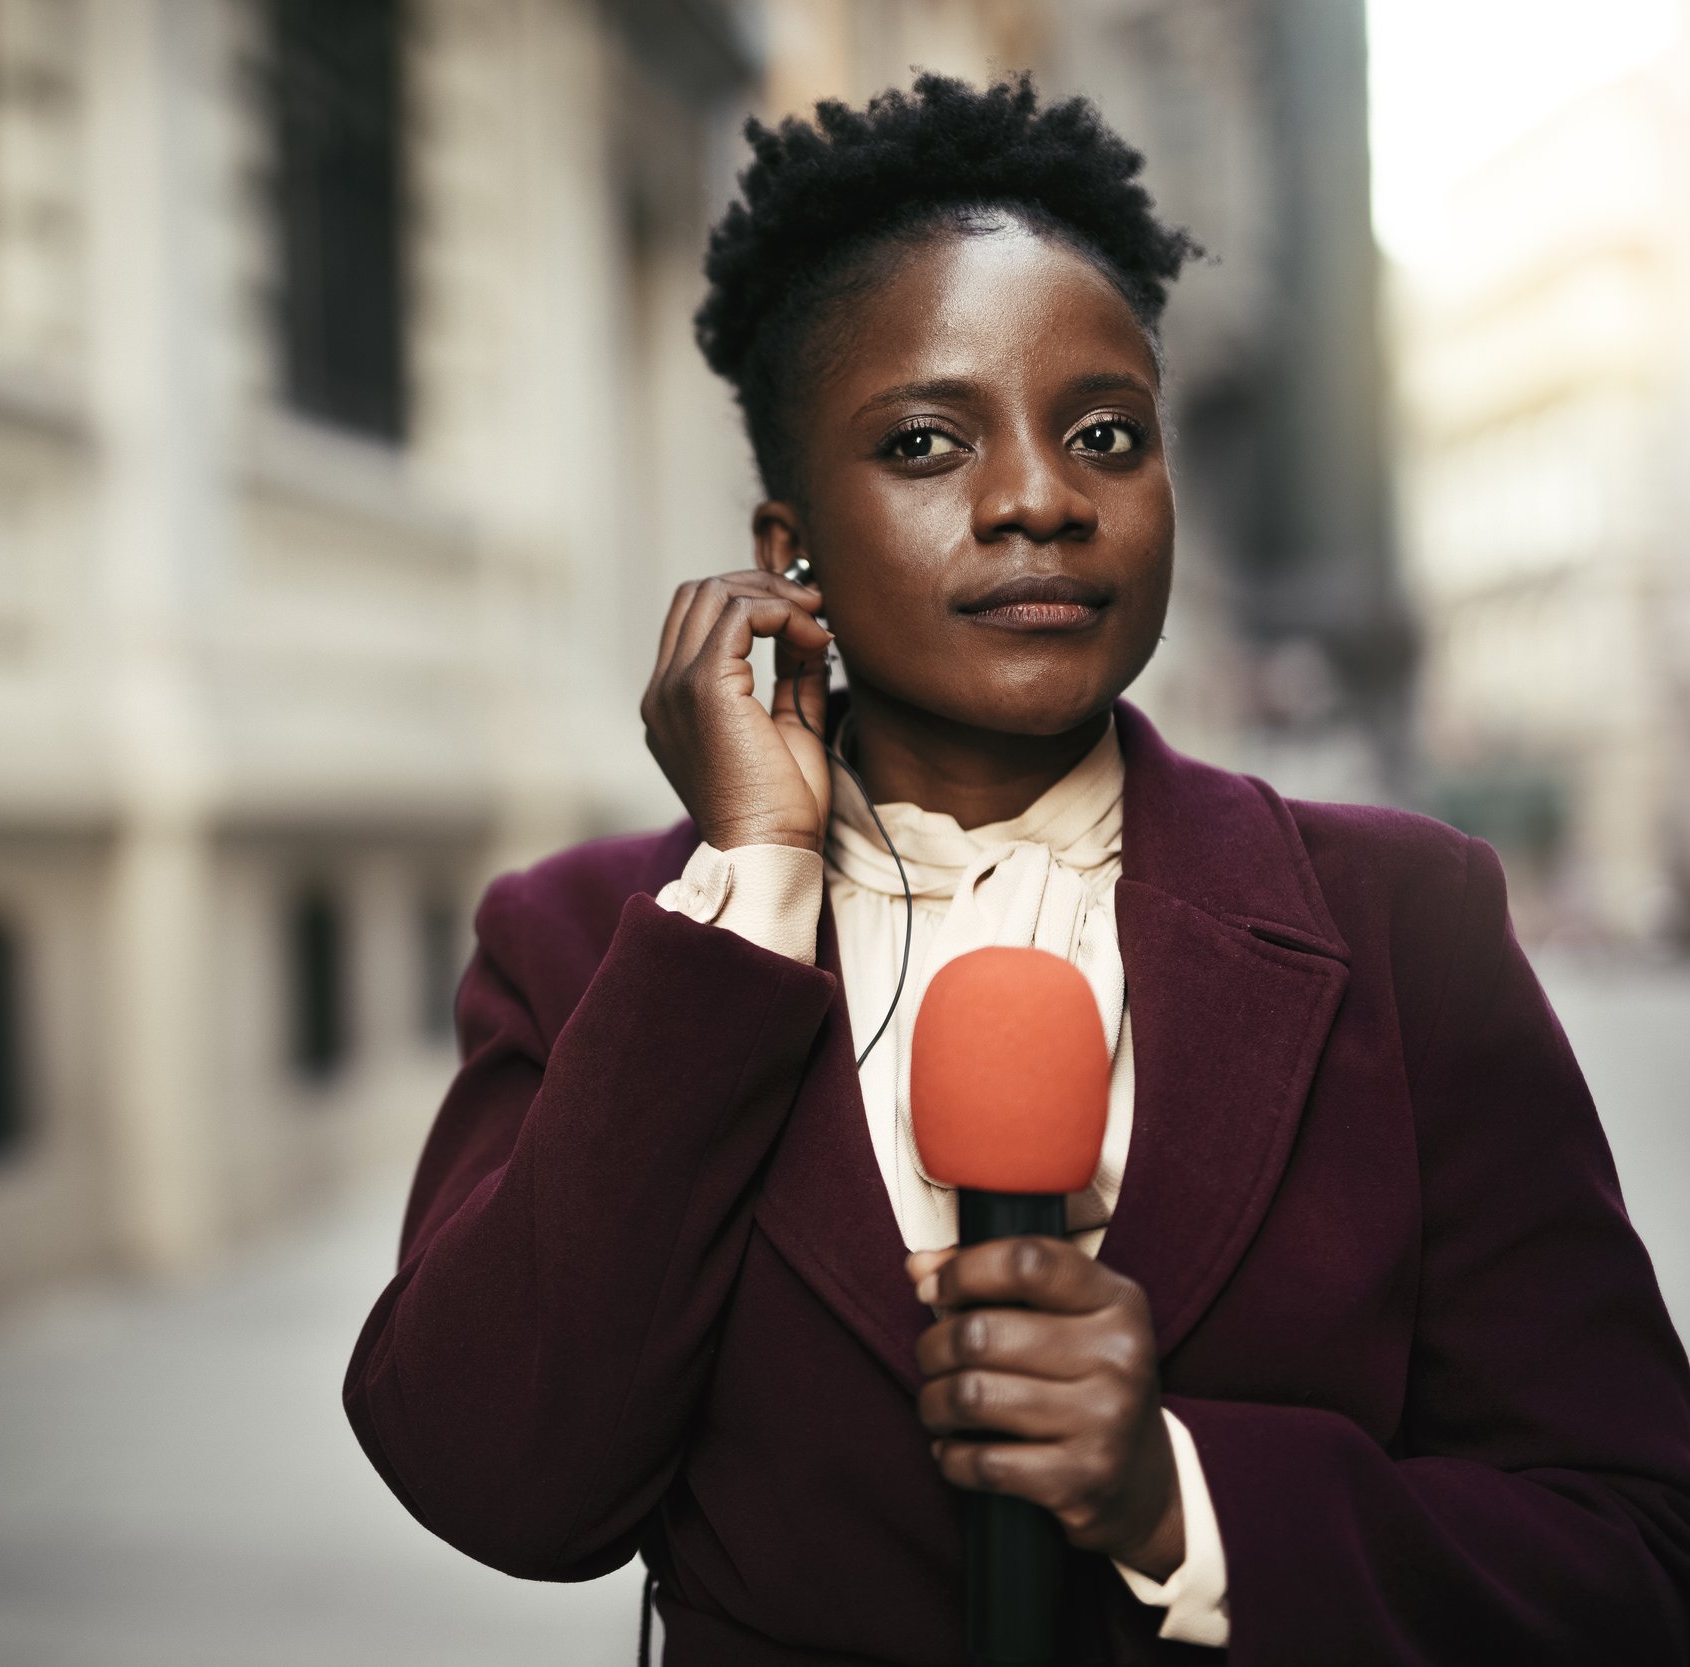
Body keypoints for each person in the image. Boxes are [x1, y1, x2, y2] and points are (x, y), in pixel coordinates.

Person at [341, 75, 1690, 1664]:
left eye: (1106, 433)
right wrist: (756, 882)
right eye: (926, 441)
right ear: (788, 555)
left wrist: (1182, 1501)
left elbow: (1637, 1554)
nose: (1043, 497)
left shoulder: (1410, 923)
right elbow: (496, 1476)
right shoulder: (587, 946)